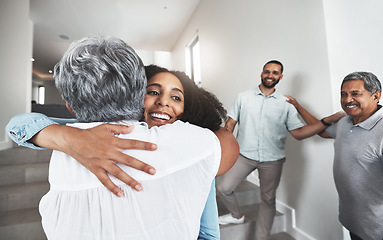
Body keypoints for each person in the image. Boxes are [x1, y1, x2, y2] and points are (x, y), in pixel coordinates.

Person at [11, 35, 238, 239]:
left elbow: (207, 232)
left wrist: (62, 137)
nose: (164, 102)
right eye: (154, 92)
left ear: (70, 107)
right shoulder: (196, 145)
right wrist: (67, 136)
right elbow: (227, 142)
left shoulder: (193, 145)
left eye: (176, 97)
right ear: (140, 93)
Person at [215, 60, 344, 240]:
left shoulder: (286, 103)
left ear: (280, 77)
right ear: (261, 73)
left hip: (272, 161)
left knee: (268, 201)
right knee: (223, 187)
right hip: (244, 156)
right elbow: (229, 126)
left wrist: (325, 121)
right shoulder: (243, 97)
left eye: (275, 73)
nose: (270, 75)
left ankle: (262, 238)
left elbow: (298, 133)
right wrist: (221, 149)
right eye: (267, 71)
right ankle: (237, 216)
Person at [290, 72, 383, 240]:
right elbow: (322, 131)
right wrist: (297, 106)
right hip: (355, 222)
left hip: (377, 229)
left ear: (376, 96)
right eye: (343, 94)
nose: (347, 100)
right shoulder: (345, 121)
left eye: (355, 93)